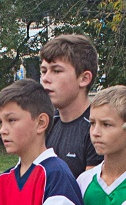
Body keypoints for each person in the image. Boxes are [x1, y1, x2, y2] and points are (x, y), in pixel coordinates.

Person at [39, 33, 102, 177]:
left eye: (56, 71)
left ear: (84, 78)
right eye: (43, 71)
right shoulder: (46, 125)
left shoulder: (96, 130)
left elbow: (90, 193)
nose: (46, 79)